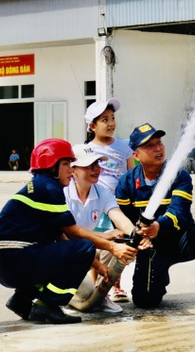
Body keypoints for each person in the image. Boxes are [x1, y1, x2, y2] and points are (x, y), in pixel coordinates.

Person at [0, 139, 136, 325]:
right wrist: (112, 247)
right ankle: (48, 306)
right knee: (82, 247)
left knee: (61, 250)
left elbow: (59, 235)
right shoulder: (50, 188)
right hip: (16, 259)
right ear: (51, 166)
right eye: (66, 164)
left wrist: (98, 266)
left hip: (9, 260)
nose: (70, 169)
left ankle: (22, 300)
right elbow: (73, 234)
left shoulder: (41, 185)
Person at [115, 122, 195, 311]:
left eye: (159, 142)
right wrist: (140, 239)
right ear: (136, 155)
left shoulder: (179, 176)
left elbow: (180, 211)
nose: (158, 148)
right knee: (145, 302)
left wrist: (158, 227)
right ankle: (157, 281)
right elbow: (123, 221)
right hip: (151, 247)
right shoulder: (126, 183)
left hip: (181, 240)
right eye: (149, 146)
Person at [64, 143, 151, 314]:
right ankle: (51, 296)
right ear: (73, 170)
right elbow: (68, 235)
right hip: (64, 253)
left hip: (83, 249)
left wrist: (137, 235)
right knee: (87, 293)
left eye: (97, 164)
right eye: (89, 165)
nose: (96, 169)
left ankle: (101, 295)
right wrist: (104, 239)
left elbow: (119, 218)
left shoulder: (102, 192)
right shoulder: (63, 193)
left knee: (119, 241)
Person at [84, 98, 134, 302]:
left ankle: (116, 286)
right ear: (92, 126)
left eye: (113, 118)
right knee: (95, 246)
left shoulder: (123, 146)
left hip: (118, 207)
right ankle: (93, 289)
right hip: (96, 206)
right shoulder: (87, 150)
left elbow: (132, 172)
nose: (111, 123)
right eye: (105, 119)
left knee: (116, 247)